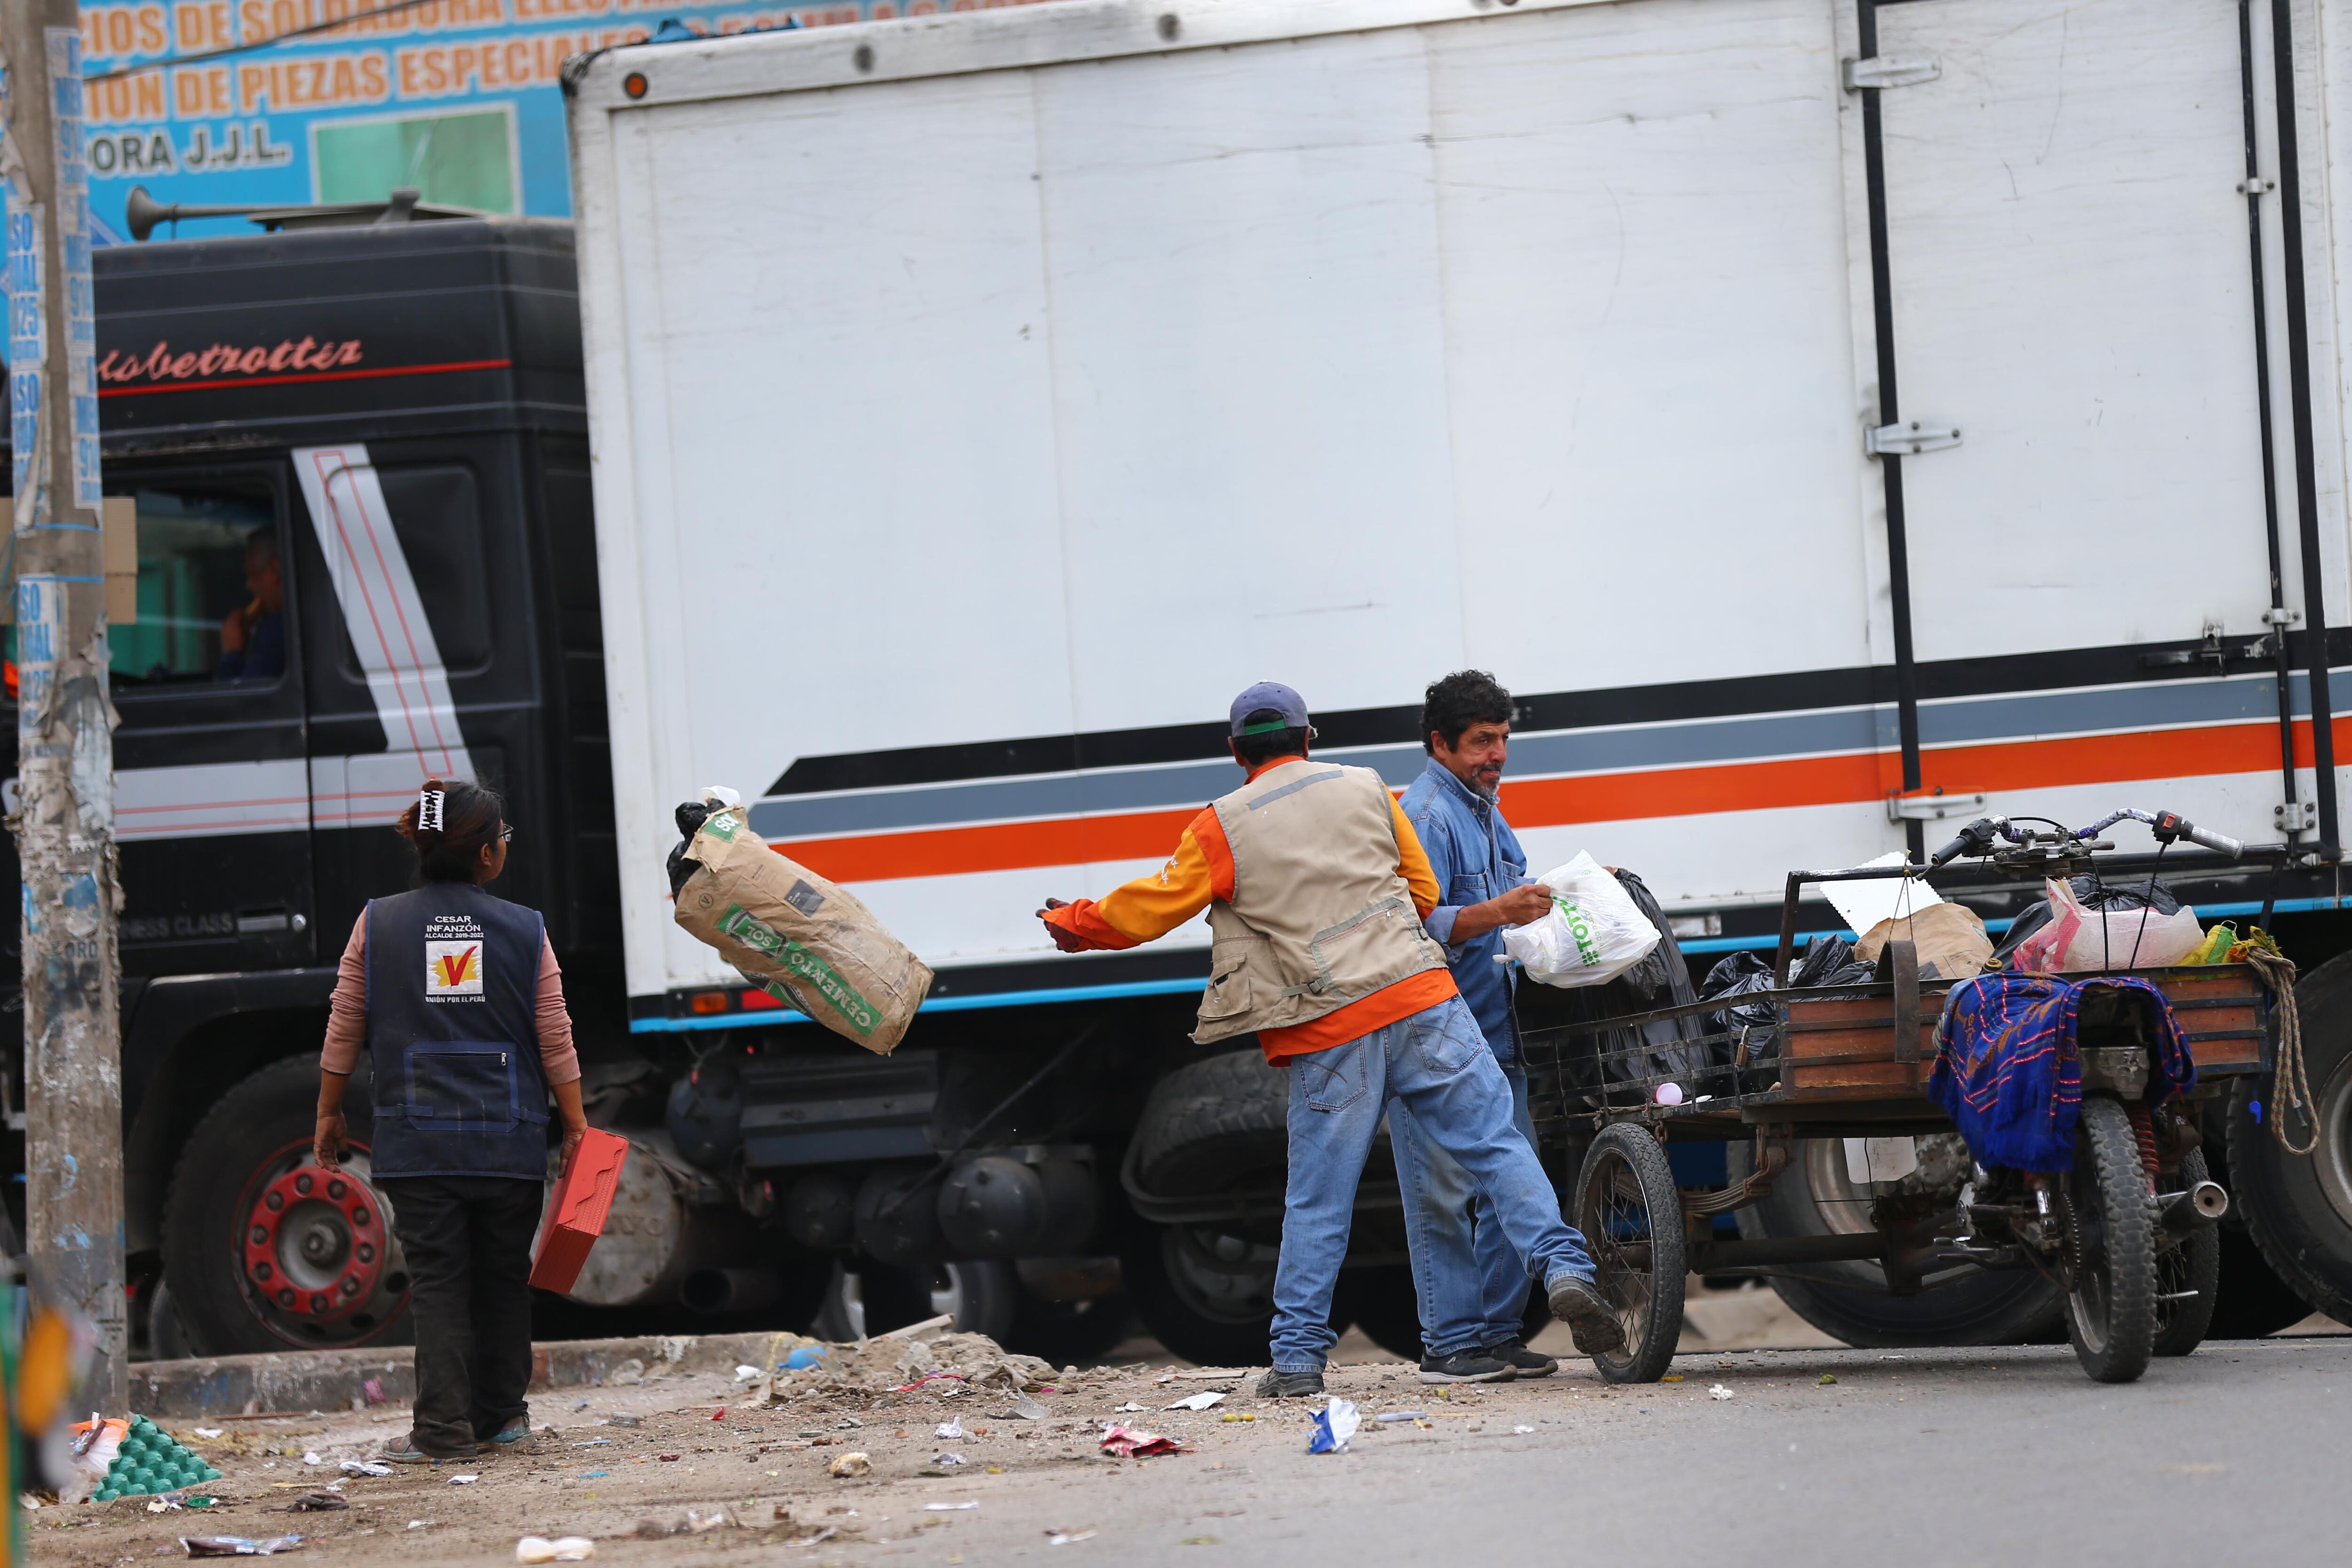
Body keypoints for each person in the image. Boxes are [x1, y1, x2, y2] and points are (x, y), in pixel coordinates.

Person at [1038, 681, 1622, 1398]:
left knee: (1319, 1199)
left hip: (1330, 1021)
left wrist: (1076, 922)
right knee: (1498, 1145)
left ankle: (1296, 1362)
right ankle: (1565, 1268)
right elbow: (1424, 897)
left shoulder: (1222, 825)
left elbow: (1152, 910)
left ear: (1235, 752)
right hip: (1422, 999)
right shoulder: (1370, 789)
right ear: (1309, 738)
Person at [313, 780, 590, 1464]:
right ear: (490, 855)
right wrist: (577, 1123)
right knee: (501, 1276)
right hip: (509, 1138)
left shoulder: (377, 923)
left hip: (419, 1139)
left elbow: (346, 1016)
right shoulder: (526, 929)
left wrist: (326, 1108)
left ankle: (441, 1431)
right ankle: (503, 1418)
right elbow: (553, 1031)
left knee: (439, 1281)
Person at [1392, 670, 1563, 1384]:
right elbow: (1418, 926)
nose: (1495, 755)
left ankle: (1493, 1335)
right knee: (1441, 1194)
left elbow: (1507, 905)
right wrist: (1503, 913)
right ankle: (1448, 1343)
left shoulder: (1487, 809)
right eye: (1480, 742)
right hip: (1437, 1036)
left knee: (1505, 1186)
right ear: (1440, 744)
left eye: (1502, 740)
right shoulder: (1429, 815)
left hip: (1499, 1034)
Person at [218, 530, 286, 681]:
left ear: (275, 570)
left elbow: (239, 700)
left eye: (253, 574)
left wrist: (232, 653)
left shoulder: (277, 628)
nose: (249, 585)